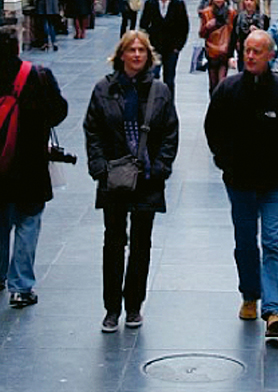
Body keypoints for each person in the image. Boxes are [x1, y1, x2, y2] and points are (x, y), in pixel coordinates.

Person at [204, 30, 278, 338]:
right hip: (239, 181)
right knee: (246, 241)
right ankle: (250, 294)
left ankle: (274, 309)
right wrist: (224, 160)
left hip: (276, 182)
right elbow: (213, 128)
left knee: (274, 243)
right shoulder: (229, 89)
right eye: (247, 50)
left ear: (270, 55)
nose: (250, 56)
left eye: (257, 51)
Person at [0, 26, 68, 308]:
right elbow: (59, 111)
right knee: (28, 219)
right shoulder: (40, 76)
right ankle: (21, 286)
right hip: (31, 161)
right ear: (18, 47)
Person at [83, 31, 180, 332]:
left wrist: (161, 167)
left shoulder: (159, 91)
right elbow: (93, 129)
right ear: (121, 54)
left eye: (141, 50)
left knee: (141, 243)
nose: (137, 55)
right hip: (113, 177)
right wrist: (99, 167)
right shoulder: (104, 89)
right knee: (113, 241)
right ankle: (111, 308)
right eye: (131, 50)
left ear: (148, 56)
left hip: (147, 178)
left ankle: (134, 305)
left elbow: (169, 132)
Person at [139, 0, 189, 94]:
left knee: (169, 79)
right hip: (155, 48)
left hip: (171, 48)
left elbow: (184, 27)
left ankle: (169, 106)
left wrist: (178, 47)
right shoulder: (150, 4)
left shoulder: (178, 5)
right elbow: (143, 25)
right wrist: (147, 44)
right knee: (152, 76)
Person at [199, 0, 236, 96]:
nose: (218, 0)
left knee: (221, 82)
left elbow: (234, 32)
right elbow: (201, 34)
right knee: (213, 83)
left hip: (225, 50)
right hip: (211, 51)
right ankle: (213, 105)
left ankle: (220, 106)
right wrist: (207, 26)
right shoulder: (207, 13)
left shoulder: (231, 13)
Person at [233, 0, 270, 69]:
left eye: (251, 0)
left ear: (256, 2)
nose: (248, 3)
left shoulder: (263, 18)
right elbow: (234, 37)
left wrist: (259, 32)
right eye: (246, 0)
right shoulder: (238, 17)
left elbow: (268, 39)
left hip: (258, 55)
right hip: (243, 55)